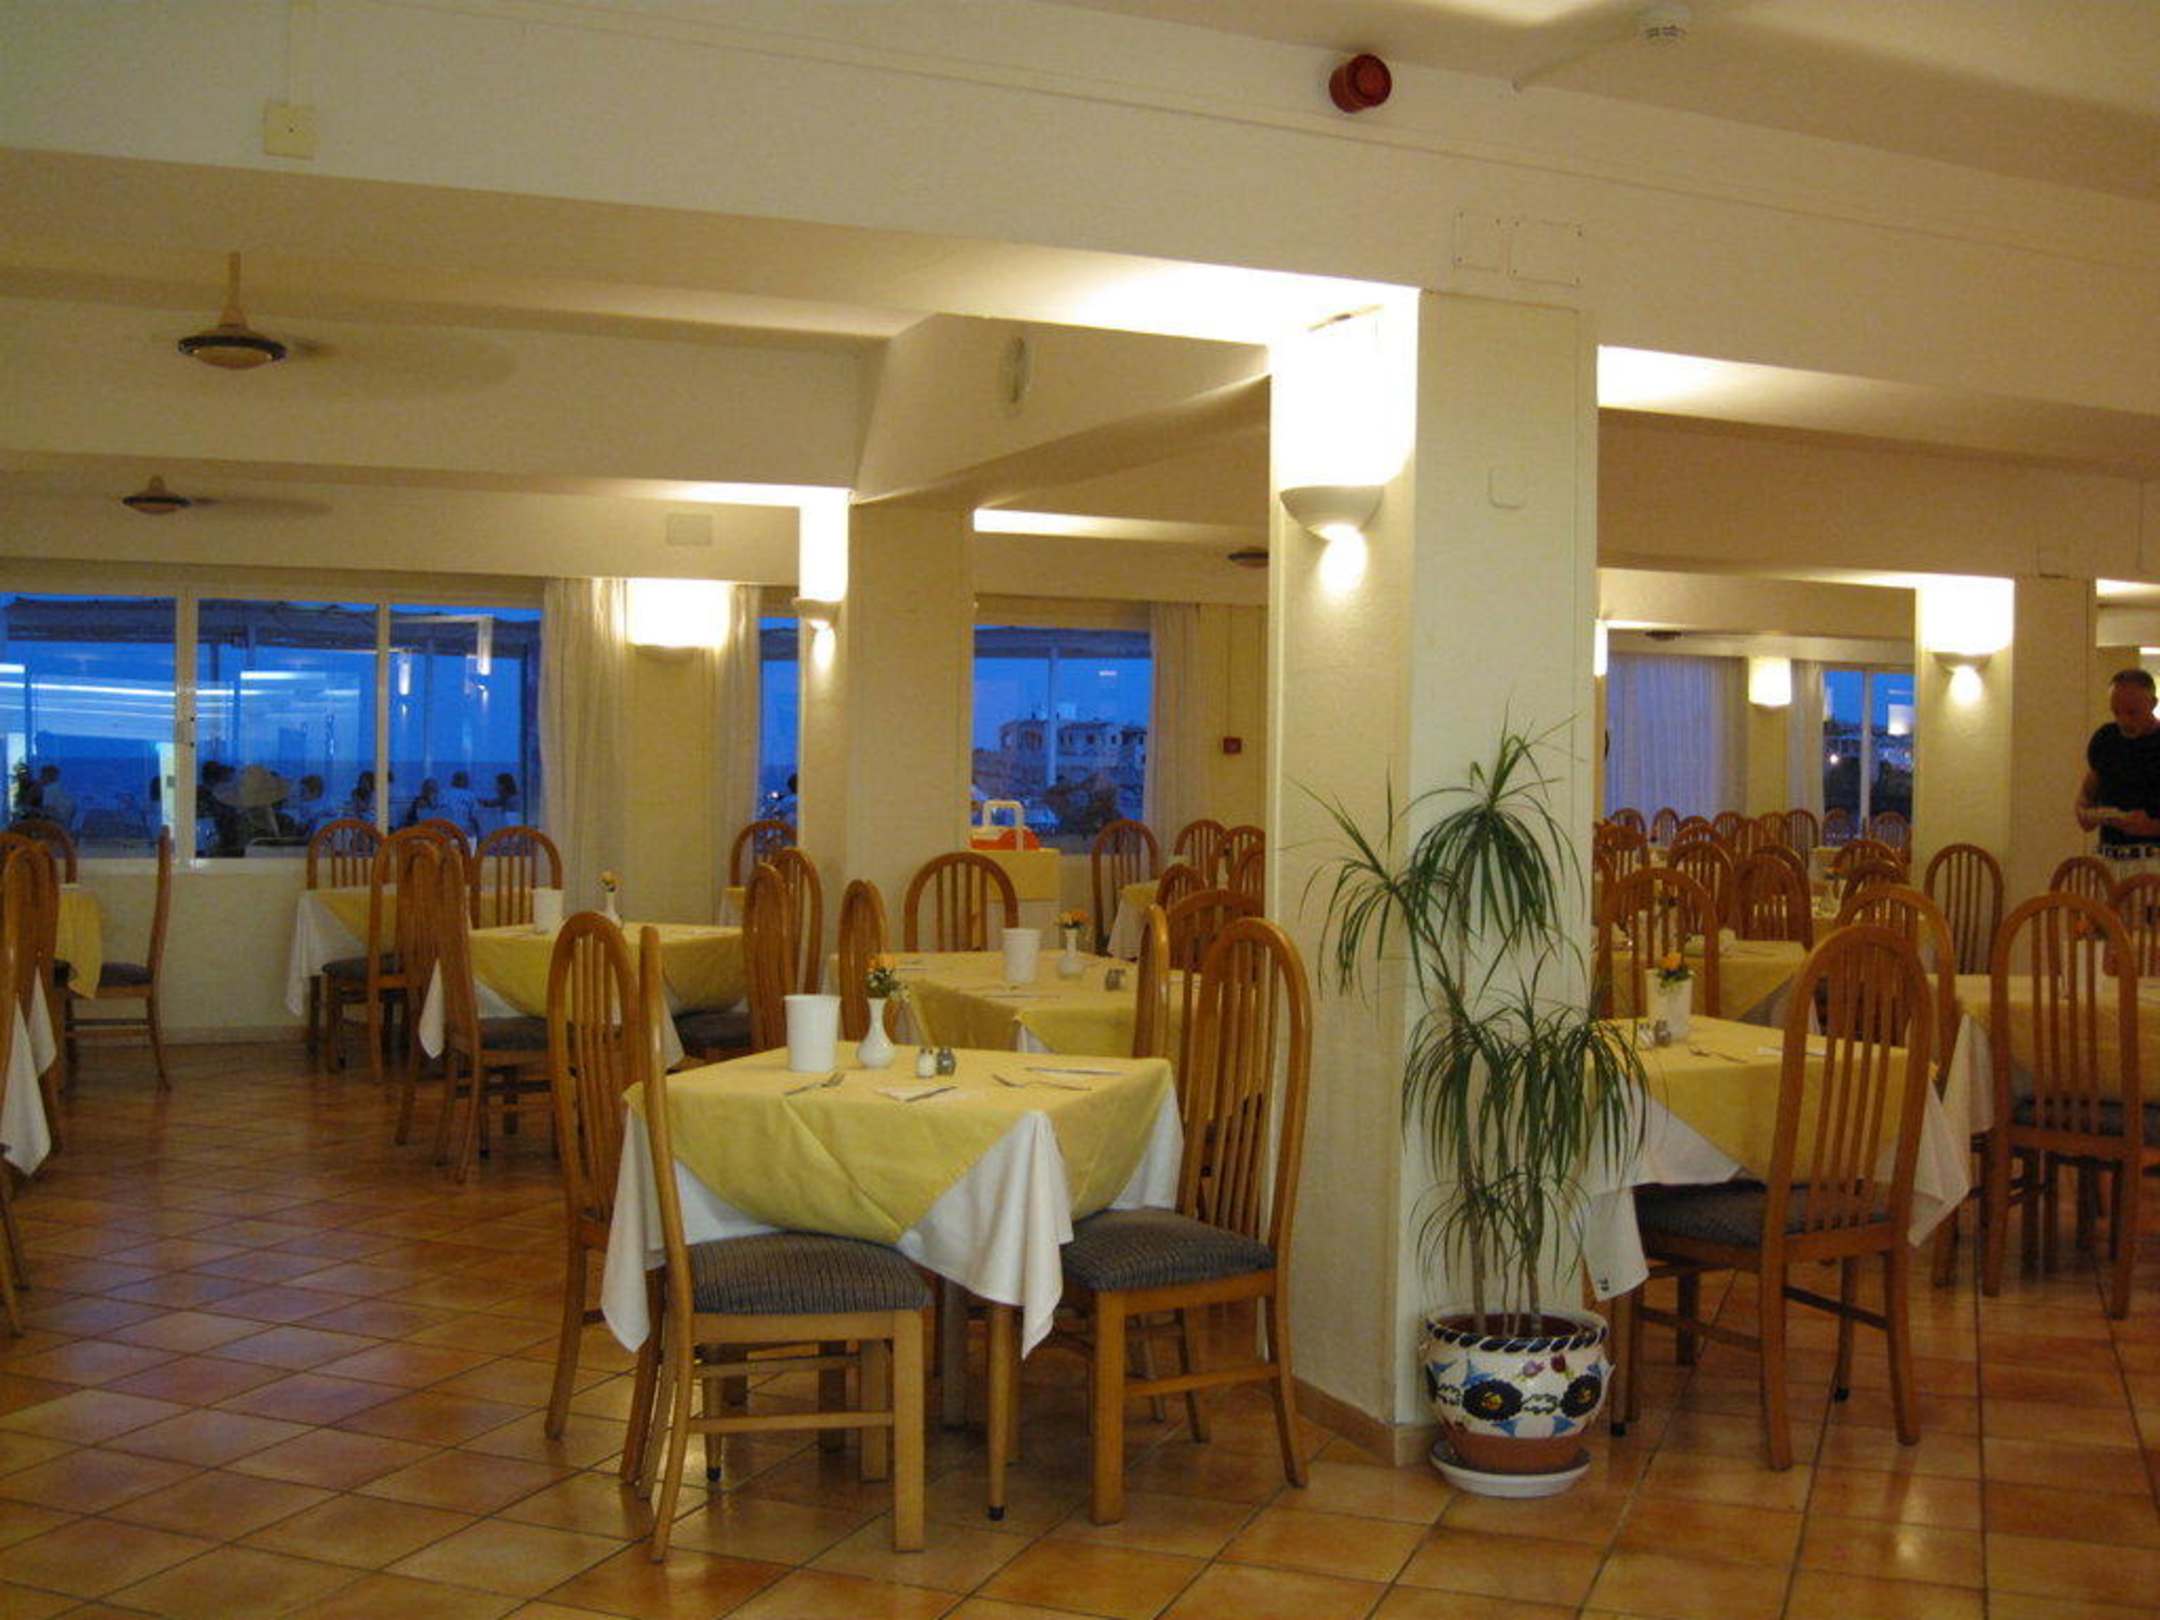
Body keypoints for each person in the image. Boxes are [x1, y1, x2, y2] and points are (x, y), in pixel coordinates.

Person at [2077, 667, 2160, 850]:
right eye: (2116, 712)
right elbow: (2087, 794)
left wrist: (2151, 827)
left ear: (2153, 703)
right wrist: (2085, 814)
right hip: (2109, 855)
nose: (2124, 721)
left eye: (2132, 712)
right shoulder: (2106, 739)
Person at [439, 769, 481, 837]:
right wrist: (479, 832)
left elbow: (441, 812)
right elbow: (474, 817)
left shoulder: (445, 794)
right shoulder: (470, 796)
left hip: (448, 829)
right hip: (464, 830)